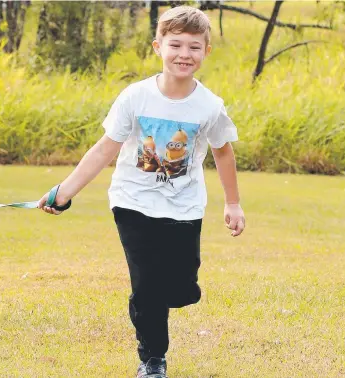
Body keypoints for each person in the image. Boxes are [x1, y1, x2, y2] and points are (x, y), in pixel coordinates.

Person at [38, 6, 245, 378]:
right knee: (147, 283)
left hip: (184, 207)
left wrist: (233, 203)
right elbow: (104, 149)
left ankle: (167, 293)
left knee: (181, 286)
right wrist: (64, 192)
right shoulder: (135, 97)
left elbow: (223, 151)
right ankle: (152, 359)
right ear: (157, 46)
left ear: (206, 51)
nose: (185, 54)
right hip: (132, 203)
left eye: (194, 47)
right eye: (176, 44)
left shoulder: (209, 106)